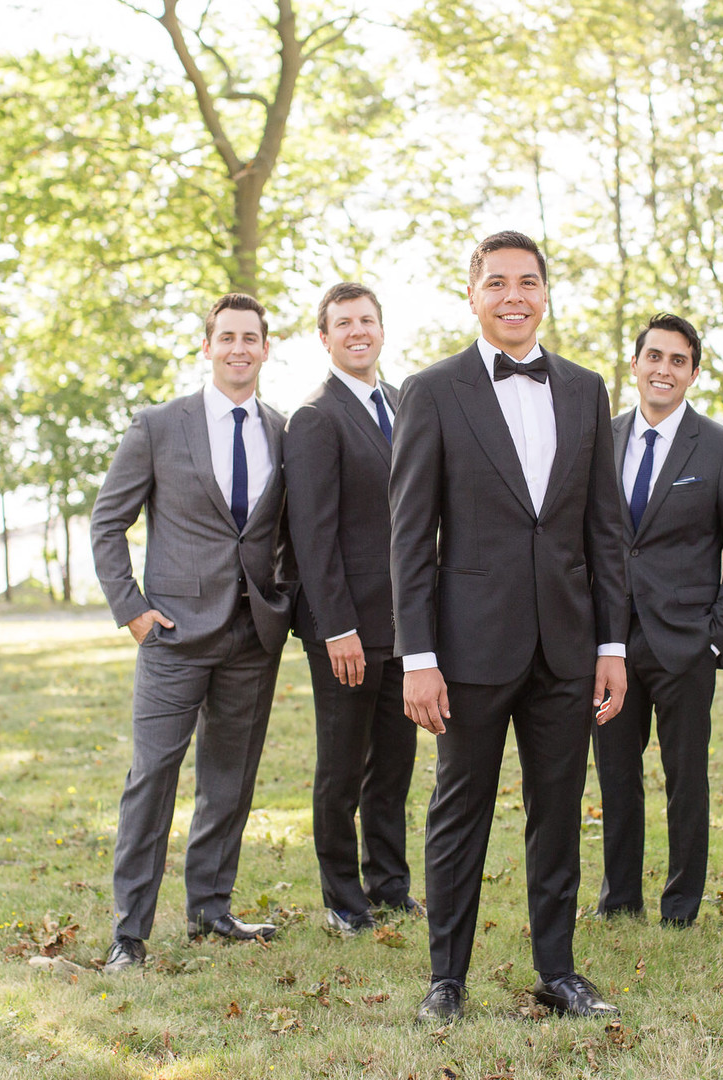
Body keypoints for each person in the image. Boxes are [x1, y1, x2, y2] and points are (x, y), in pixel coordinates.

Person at [389, 231, 628, 1023]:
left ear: (545, 294)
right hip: (468, 648)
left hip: (566, 645)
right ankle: (446, 980)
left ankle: (558, 972)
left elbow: (604, 529)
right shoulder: (431, 390)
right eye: (497, 282)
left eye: (527, 281)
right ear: (473, 295)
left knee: (558, 811)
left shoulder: (587, 389)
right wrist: (417, 656)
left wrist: (611, 644)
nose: (513, 295)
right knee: (460, 812)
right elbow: (410, 536)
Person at [90, 292, 294, 973]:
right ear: (207, 347)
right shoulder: (158, 425)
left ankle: (210, 907)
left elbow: (291, 530)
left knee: (229, 780)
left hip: (252, 635)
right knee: (152, 778)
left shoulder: (283, 430)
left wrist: (282, 598)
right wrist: (132, 609)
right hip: (173, 636)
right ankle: (129, 933)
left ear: (266, 349)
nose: (239, 348)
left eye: (250, 338)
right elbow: (108, 521)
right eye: (226, 337)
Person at [593, 313, 723, 928]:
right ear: (635, 364)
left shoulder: (721, 448)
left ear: (692, 373)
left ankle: (682, 905)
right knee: (616, 776)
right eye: (654, 357)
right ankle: (619, 900)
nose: (664, 369)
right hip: (609, 644)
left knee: (686, 779)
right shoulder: (601, 438)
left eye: (678, 360)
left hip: (686, 643)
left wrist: (716, 639)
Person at [286, 282, 420, 936]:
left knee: (393, 766)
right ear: (325, 337)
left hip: (403, 625)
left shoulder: (402, 402)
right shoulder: (315, 417)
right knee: (342, 769)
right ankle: (343, 898)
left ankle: (389, 885)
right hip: (346, 629)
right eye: (344, 323)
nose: (358, 331)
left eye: (367, 319)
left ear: (381, 329)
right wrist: (337, 627)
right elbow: (313, 535)